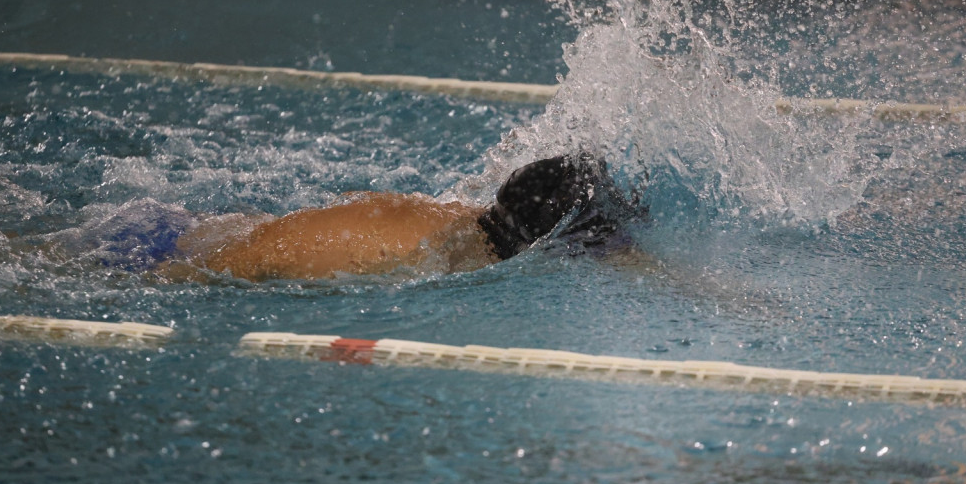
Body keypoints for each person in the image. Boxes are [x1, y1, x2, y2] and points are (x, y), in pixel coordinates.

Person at [99, 154, 626, 282]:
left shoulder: (472, 230)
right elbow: (258, 256)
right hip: (153, 251)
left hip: (198, 229)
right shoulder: (403, 245)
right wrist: (163, 278)